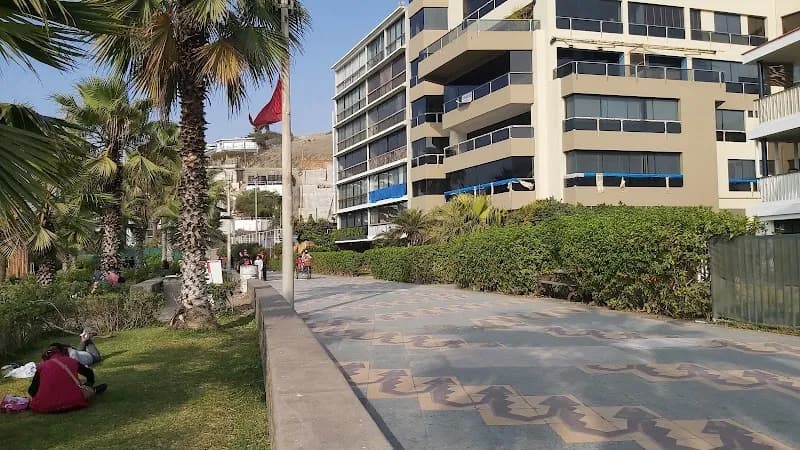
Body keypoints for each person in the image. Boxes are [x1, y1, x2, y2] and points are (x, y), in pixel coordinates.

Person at [28, 343, 107, 413]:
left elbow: (32, 391)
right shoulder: (70, 361)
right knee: (84, 390)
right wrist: (89, 384)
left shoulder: (42, 367)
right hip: (75, 402)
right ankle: (93, 390)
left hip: (45, 407)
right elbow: (89, 373)